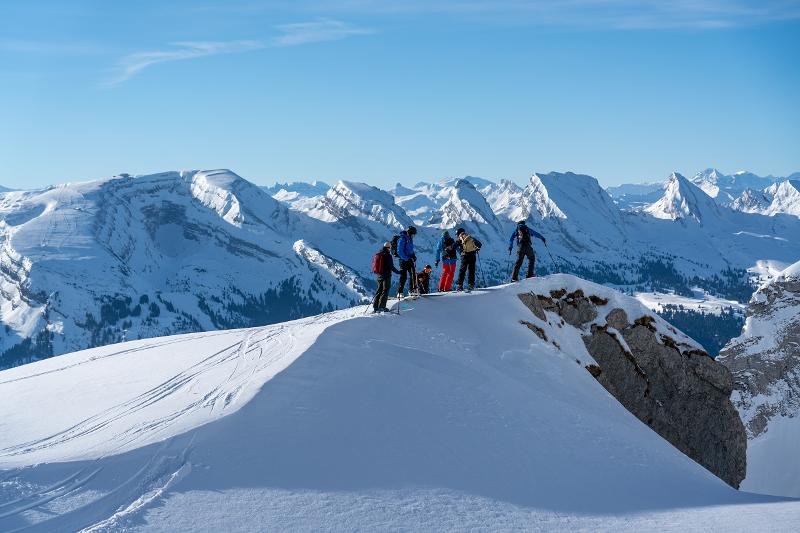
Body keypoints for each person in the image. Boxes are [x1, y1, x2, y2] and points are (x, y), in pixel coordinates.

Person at [372, 241, 401, 312]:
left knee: (379, 290)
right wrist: (399, 272)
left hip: (379, 275)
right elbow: (391, 266)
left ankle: (375, 307)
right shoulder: (388, 255)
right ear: (388, 248)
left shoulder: (379, 254)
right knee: (385, 290)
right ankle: (382, 307)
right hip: (386, 275)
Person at [455, 228, 482, 292]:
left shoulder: (460, 238)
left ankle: (460, 285)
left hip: (465, 256)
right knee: (471, 270)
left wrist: (448, 249)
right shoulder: (470, 237)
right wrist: (476, 249)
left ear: (459, 233)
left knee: (462, 270)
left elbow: (454, 246)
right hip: (473, 255)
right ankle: (471, 285)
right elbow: (479, 244)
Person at [396, 225, 417, 297]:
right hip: (403, 260)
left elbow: (410, 249)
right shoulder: (403, 239)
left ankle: (412, 290)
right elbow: (399, 251)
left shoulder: (410, 239)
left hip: (409, 259)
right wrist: (406, 258)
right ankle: (400, 292)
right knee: (403, 276)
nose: (414, 236)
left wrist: (413, 255)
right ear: (410, 233)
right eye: (413, 234)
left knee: (413, 274)